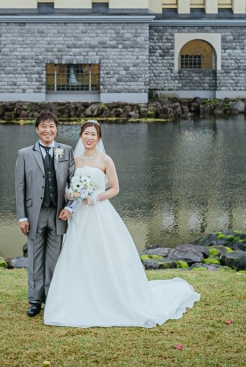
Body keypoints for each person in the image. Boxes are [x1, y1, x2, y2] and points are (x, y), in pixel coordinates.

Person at [44, 120, 200, 328]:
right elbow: (67, 187)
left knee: (103, 252)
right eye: (86, 133)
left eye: (93, 134)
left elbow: (115, 188)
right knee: (78, 252)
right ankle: (78, 297)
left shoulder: (105, 159)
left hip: (99, 212)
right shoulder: (75, 159)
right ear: (81, 135)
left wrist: (95, 197)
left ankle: (110, 297)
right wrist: (72, 194)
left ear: (99, 138)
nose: (89, 137)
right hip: (79, 215)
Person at [14, 111, 76, 317]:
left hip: (58, 213)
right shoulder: (24, 154)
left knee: (54, 258)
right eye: (44, 126)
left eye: (51, 126)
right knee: (34, 258)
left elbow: (73, 182)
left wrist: (70, 206)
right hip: (34, 215)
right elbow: (19, 187)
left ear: (56, 129)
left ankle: (51, 296)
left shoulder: (66, 151)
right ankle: (34, 300)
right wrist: (22, 217)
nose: (48, 130)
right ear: (37, 129)